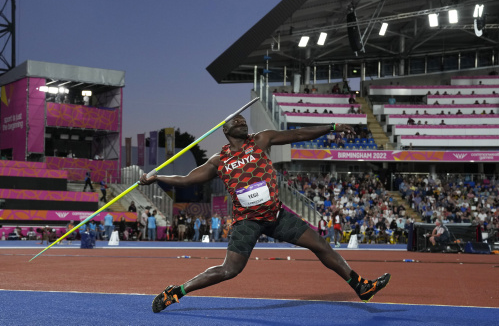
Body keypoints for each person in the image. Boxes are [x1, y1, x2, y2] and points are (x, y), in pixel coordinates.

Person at [140, 114, 390, 313]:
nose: (241, 121)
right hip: (246, 221)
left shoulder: (260, 140)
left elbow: (298, 134)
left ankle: (360, 286)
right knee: (230, 271)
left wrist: (332, 126)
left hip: (276, 215)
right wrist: (157, 177)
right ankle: (176, 292)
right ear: (225, 131)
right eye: (235, 121)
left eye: (243, 119)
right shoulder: (219, 160)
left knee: (321, 245)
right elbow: (186, 180)